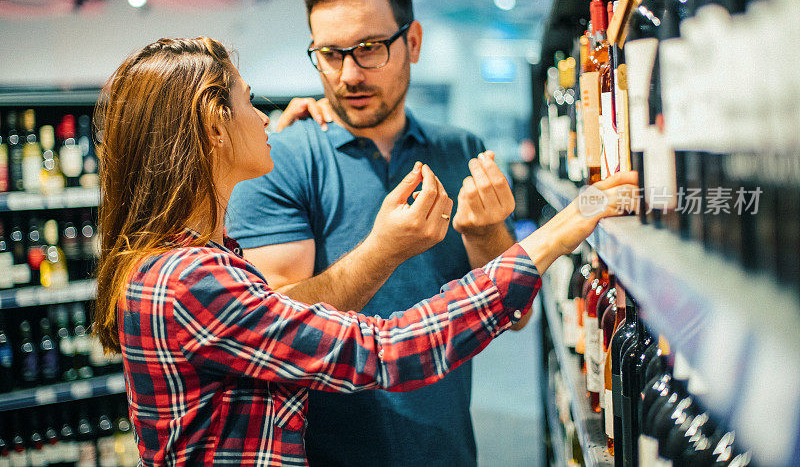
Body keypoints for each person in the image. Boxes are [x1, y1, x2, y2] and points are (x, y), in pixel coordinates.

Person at [93, 36, 636, 466]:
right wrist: (562, 228)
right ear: (213, 124)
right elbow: (389, 349)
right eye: (247, 102)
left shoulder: (182, 264)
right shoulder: (189, 281)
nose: (266, 118)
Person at [225, 0, 528, 466]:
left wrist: (486, 237)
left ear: (411, 42)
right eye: (328, 53)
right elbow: (273, 334)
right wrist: (383, 251)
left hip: (448, 447)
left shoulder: (461, 149)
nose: (347, 75)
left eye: (368, 49)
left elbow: (514, 317)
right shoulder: (279, 160)